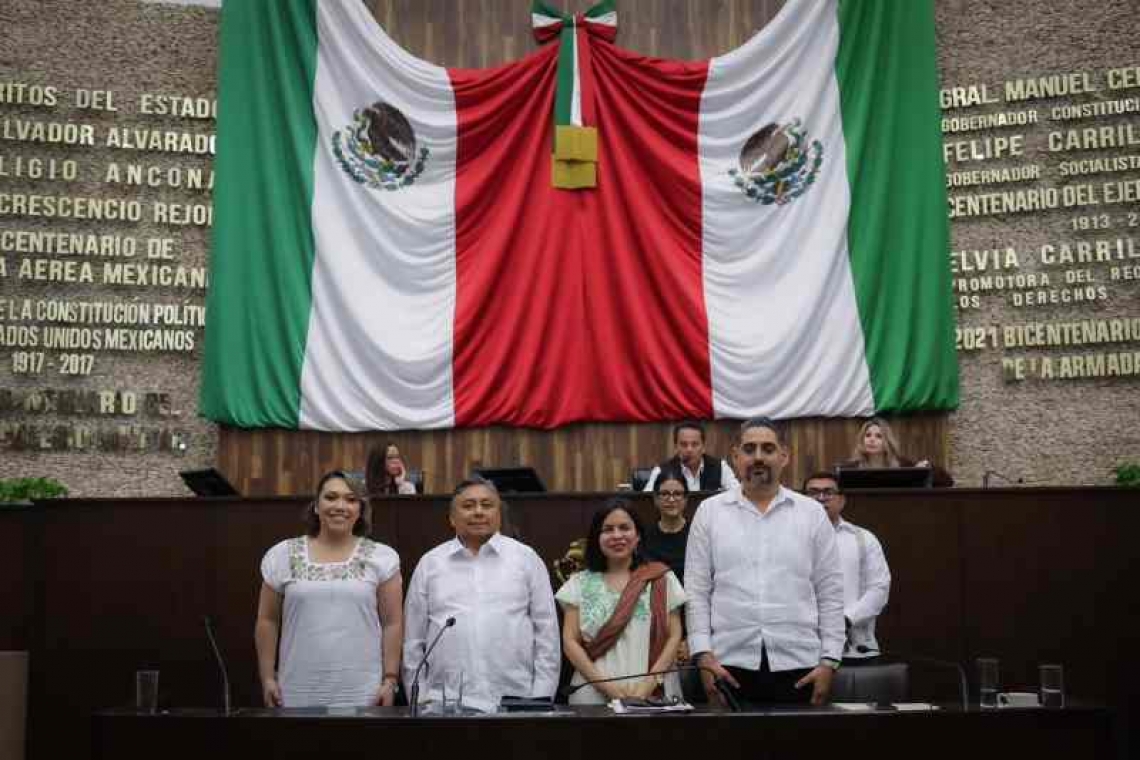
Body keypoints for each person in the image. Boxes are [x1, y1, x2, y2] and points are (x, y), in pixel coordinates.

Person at [685, 417, 844, 706]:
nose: (758, 456)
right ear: (735, 457)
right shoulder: (709, 512)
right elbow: (697, 591)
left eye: (768, 449)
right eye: (750, 448)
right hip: (727, 664)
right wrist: (703, 656)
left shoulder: (811, 513)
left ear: (784, 456)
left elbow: (830, 592)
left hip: (799, 664)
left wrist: (830, 660)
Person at [402, 476, 560, 712]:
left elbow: (546, 634)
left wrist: (540, 698)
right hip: (443, 704)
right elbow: (413, 640)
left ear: (498, 514)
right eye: (468, 506)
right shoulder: (430, 564)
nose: (478, 512)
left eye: (487, 505)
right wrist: (420, 697)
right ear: (451, 518)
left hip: (516, 700)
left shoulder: (526, 559)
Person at [255, 470, 403, 707]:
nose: (340, 506)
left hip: (363, 690)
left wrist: (390, 679)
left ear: (361, 509)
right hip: (295, 689)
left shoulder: (381, 557)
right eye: (331, 497)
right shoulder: (282, 554)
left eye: (351, 499)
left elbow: (392, 623)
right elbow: (267, 620)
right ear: (316, 506)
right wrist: (267, 678)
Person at [556, 499, 686, 704]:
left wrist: (648, 684)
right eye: (608, 529)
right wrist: (606, 687)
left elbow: (674, 635)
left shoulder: (661, 578)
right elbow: (570, 642)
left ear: (638, 535)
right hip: (593, 694)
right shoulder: (578, 583)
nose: (617, 535)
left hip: (655, 693)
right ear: (597, 538)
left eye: (625, 528)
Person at [802, 471, 891, 664]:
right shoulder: (788, 540)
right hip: (801, 650)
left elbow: (879, 589)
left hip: (854, 649)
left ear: (842, 500)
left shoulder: (863, 538)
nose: (820, 498)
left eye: (828, 492)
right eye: (813, 493)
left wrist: (845, 620)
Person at [844, 417, 954, 487]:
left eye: (879, 436)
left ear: (888, 441)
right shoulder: (850, 468)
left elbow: (947, 481)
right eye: (867, 435)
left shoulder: (903, 465)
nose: (871, 439)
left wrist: (926, 469)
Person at [642, 421, 739, 492]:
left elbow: (738, 494)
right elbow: (646, 501)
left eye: (695, 444)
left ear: (703, 447)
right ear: (676, 447)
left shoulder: (720, 467)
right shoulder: (661, 470)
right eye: (684, 444)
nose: (689, 450)